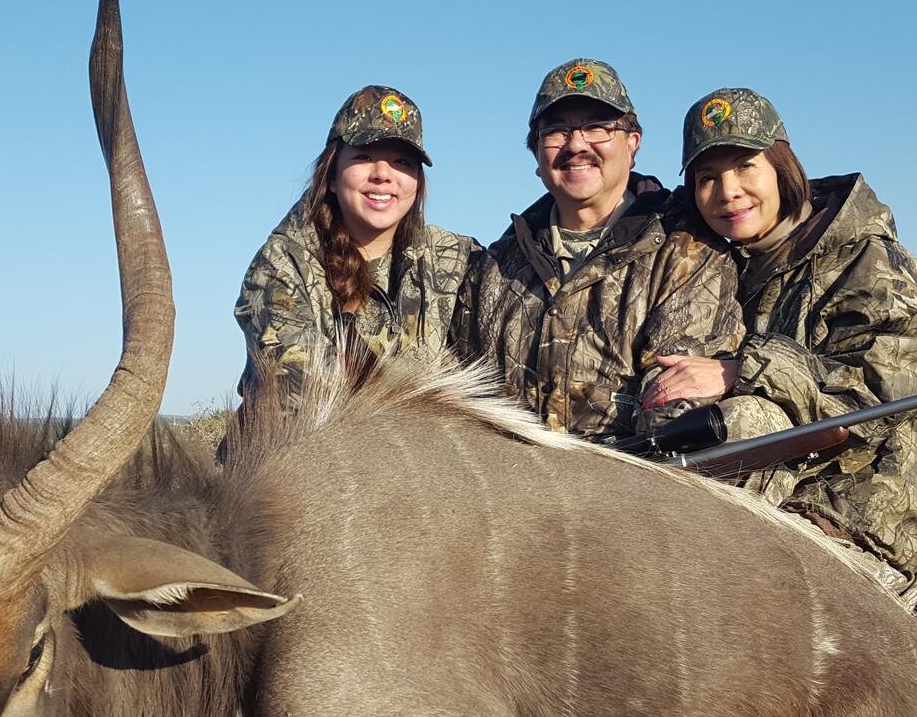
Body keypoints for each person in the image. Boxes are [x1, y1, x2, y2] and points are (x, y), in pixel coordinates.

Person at [646, 87, 917, 694]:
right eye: (706, 178)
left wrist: (741, 369)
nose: (727, 193)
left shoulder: (872, 262)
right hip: (796, 453)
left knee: (804, 559)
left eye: (745, 168)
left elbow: (878, 397)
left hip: (886, 468)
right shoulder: (735, 263)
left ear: (783, 167)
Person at [453, 59, 734, 440]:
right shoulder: (495, 268)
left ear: (633, 144)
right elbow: (466, 403)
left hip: (629, 491)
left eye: (597, 128)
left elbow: (674, 406)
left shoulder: (687, 254)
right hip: (505, 490)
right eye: (556, 132)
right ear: (536, 155)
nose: (576, 145)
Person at [234, 85, 478, 410]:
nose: (383, 175)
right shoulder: (283, 263)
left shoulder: (455, 258)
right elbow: (300, 397)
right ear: (331, 176)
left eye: (402, 162)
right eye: (363, 156)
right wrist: (430, 399)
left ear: (417, 183)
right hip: (304, 454)